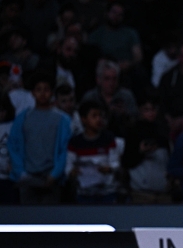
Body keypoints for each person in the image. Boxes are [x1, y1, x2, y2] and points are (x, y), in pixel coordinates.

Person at [8, 73, 71, 204]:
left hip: (51, 178)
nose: (42, 94)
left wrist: (55, 174)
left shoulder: (62, 119)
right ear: (32, 93)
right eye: (38, 89)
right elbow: (13, 146)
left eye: (46, 89)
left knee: (50, 221)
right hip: (27, 178)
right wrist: (20, 172)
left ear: (52, 93)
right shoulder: (23, 118)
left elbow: (65, 149)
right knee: (27, 221)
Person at [66, 100, 122, 203]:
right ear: (83, 119)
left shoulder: (108, 138)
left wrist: (109, 169)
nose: (99, 119)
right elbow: (68, 166)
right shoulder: (75, 142)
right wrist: (72, 172)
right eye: (94, 116)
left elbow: (116, 163)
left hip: (107, 193)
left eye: (100, 116)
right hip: (85, 194)